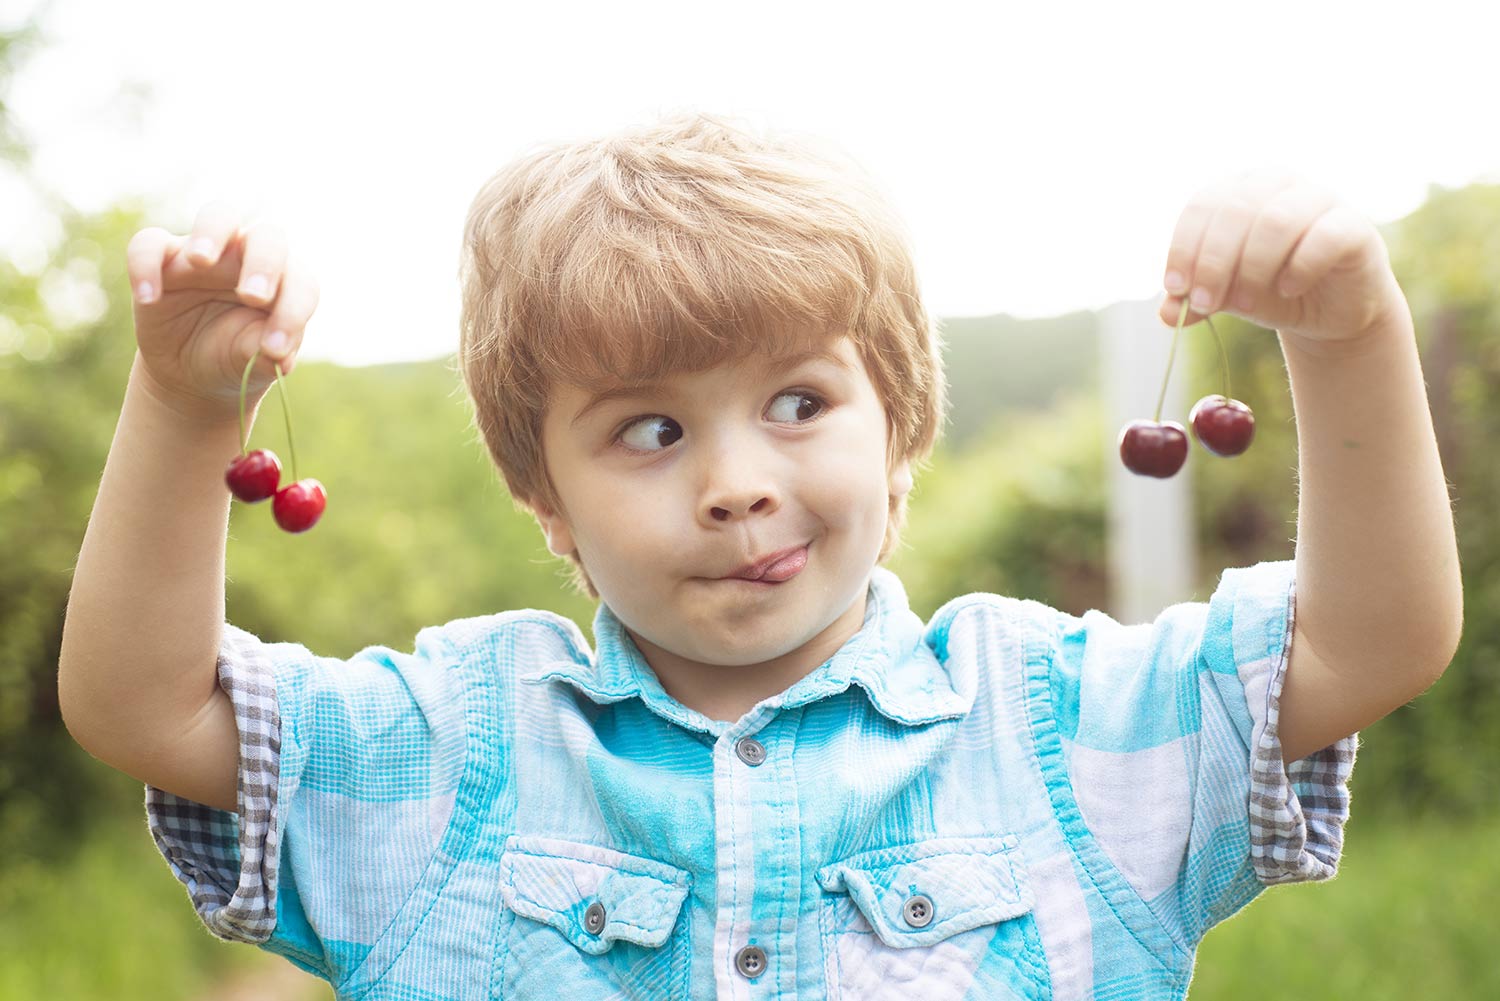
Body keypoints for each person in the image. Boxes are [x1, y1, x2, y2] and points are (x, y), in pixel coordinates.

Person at [57, 110, 1462, 1000]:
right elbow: (146, 704)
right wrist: (190, 408)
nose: (737, 484)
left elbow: (1366, 642)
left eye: (800, 402)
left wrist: (1345, 337)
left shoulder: (1057, 721)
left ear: (900, 426)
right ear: (544, 496)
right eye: (651, 429)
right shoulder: (453, 742)